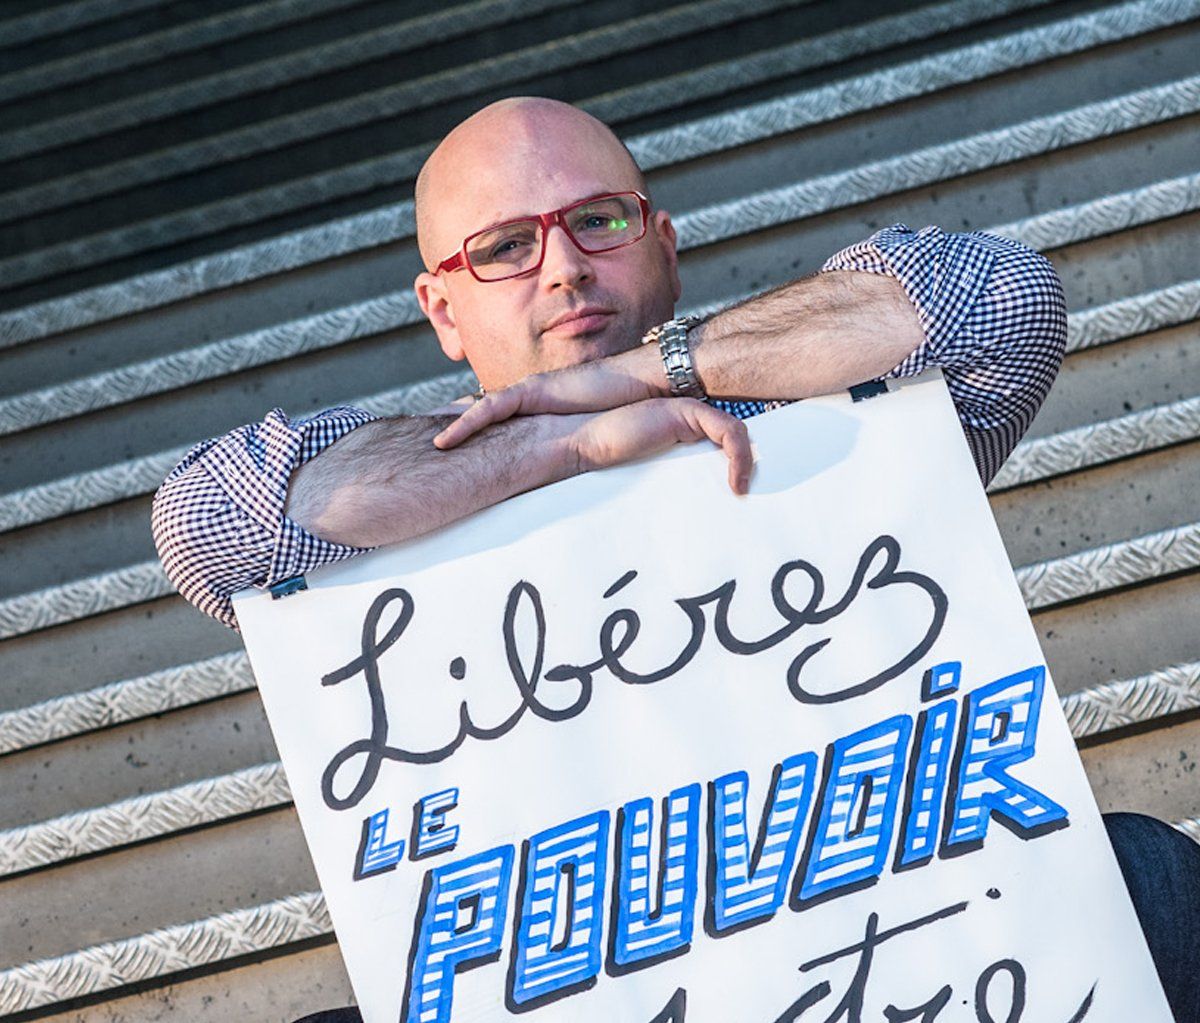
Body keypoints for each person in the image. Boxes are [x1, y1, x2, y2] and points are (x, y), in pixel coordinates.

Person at [150, 98, 1200, 1021]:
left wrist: (652, 380)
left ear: (663, 245)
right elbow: (202, 523)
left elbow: (998, 300)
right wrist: (554, 442)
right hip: (582, 969)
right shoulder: (400, 506)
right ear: (443, 311)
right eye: (505, 245)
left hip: (906, 936)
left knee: (1147, 875)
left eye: (598, 223)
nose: (563, 267)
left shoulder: (826, 417)